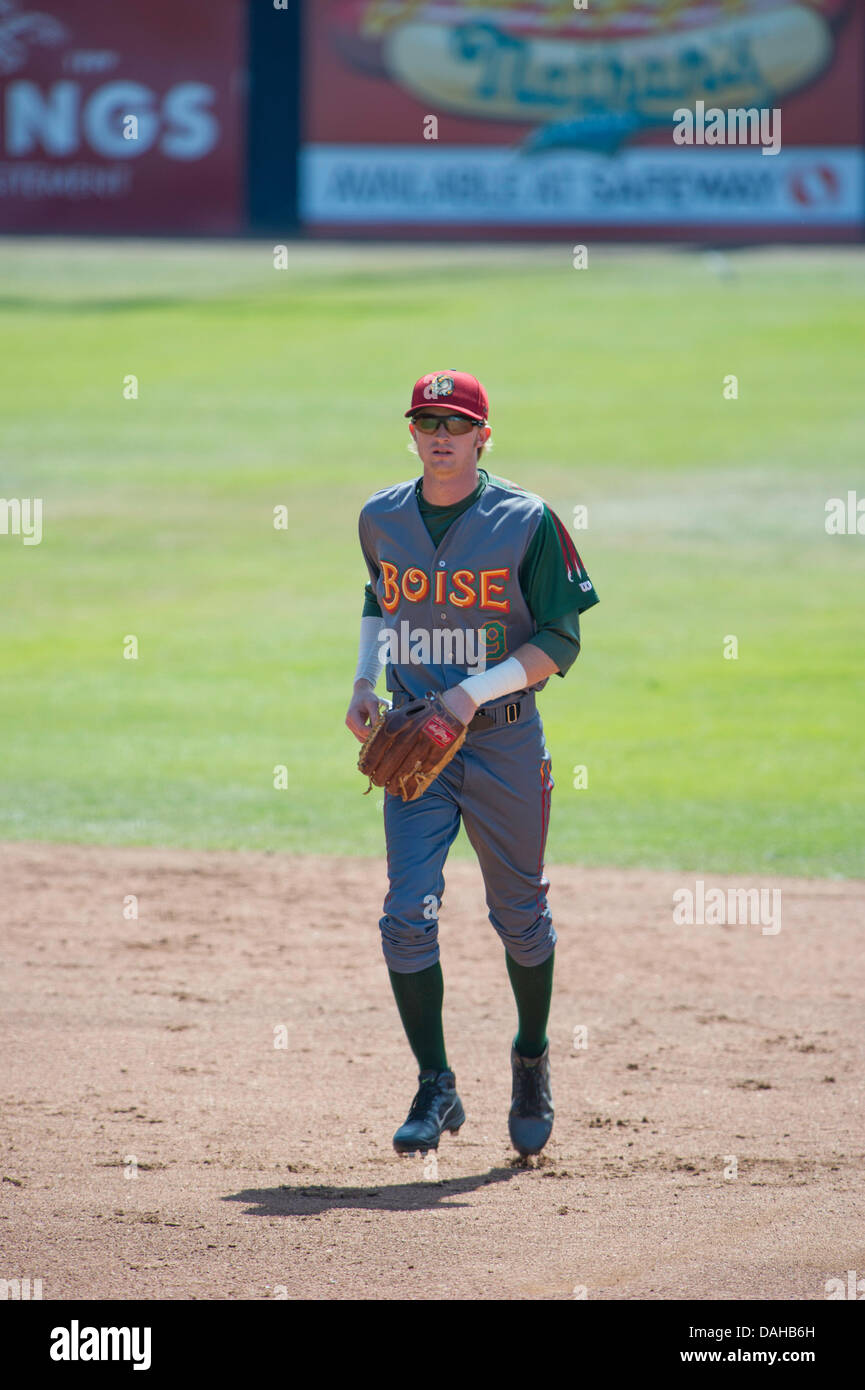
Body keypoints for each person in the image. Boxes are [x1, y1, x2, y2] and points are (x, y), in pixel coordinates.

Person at [345, 370, 599, 1158]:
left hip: (502, 742)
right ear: (412, 432)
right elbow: (378, 599)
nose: (440, 434)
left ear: (483, 435)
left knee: (520, 917)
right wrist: (362, 681)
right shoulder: (380, 515)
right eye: (427, 420)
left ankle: (529, 1057)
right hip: (416, 751)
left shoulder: (526, 521)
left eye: (456, 423)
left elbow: (560, 640)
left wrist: (469, 696)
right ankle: (436, 1084)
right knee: (404, 915)